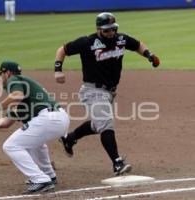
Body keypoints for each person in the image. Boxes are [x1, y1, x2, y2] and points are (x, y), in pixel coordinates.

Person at [54, 12, 160, 176]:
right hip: (92, 90)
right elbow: (62, 49)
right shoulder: (87, 42)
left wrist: (149, 55)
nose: (111, 33)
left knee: (98, 125)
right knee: (106, 125)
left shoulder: (121, 39)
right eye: (107, 30)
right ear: (98, 29)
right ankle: (117, 163)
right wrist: (58, 70)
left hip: (109, 92)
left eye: (113, 29)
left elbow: (138, 44)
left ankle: (69, 138)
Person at [0, 61, 70, 194]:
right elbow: (5, 123)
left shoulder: (14, 80)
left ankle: (40, 179)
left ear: (8, 73)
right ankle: (48, 175)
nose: (1, 79)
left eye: (1, 75)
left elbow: (17, 95)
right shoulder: (23, 92)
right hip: (59, 118)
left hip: (48, 119)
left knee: (11, 146)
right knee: (34, 143)